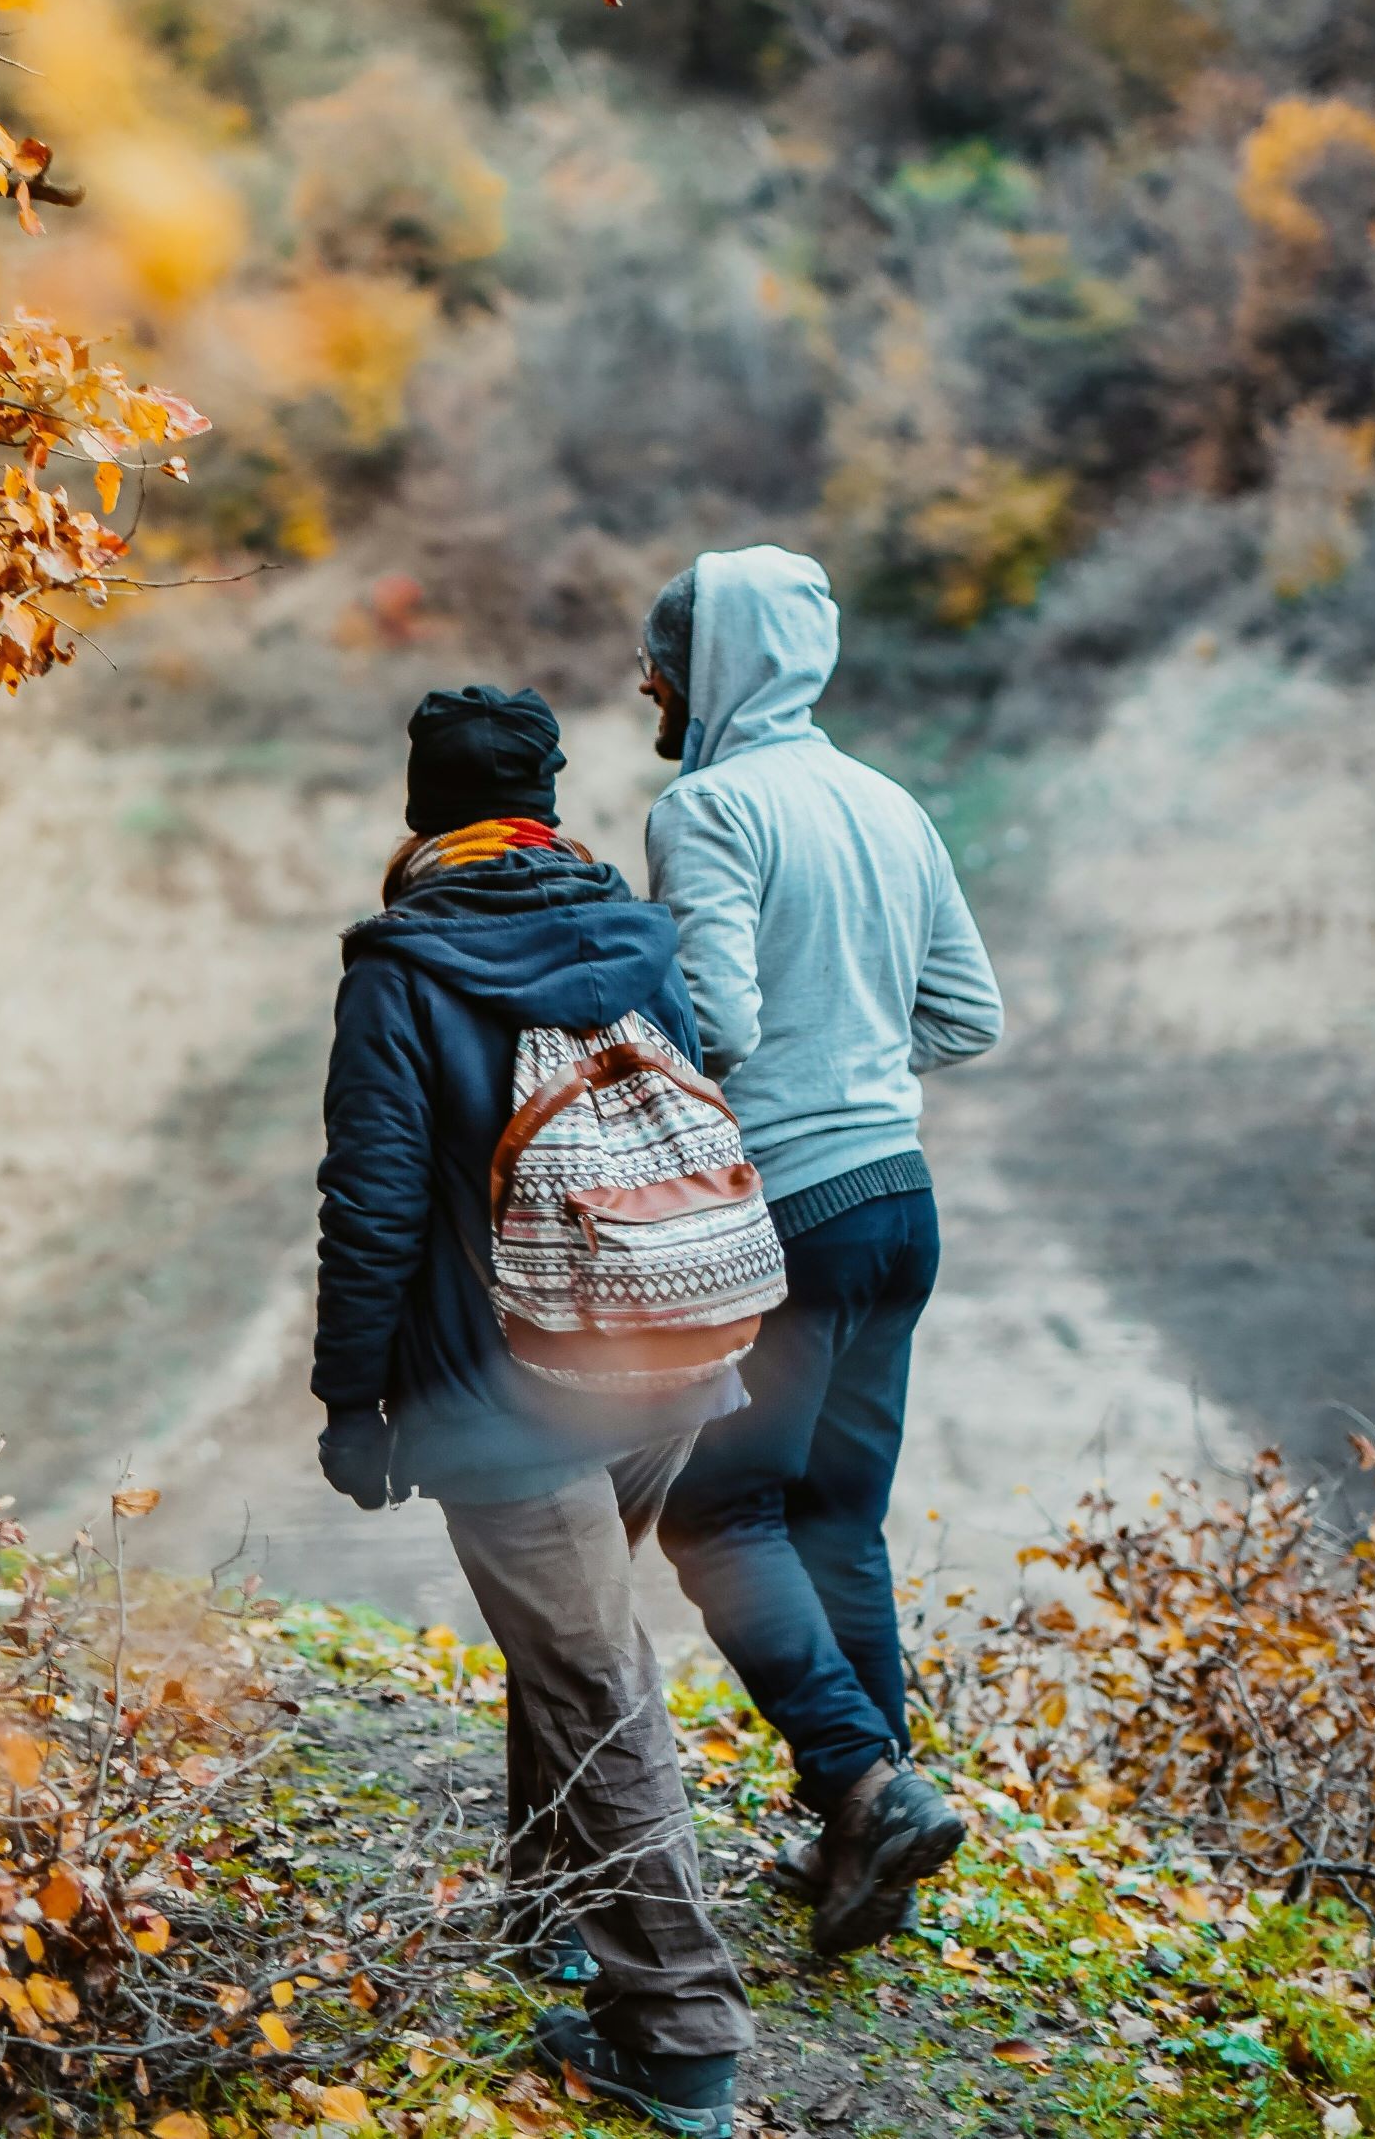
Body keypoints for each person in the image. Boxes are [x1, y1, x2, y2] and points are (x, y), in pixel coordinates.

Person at [313, 683, 754, 2137]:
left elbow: (373, 1201)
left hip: (505, 1389)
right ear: (549, 801)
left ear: (419, 807)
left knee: (588, 1668)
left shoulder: (403, 965)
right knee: (565, 1641)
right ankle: (551, 1913)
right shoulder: (633, 930)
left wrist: (354, 1402)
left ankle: (679, 2030)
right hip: (664, 1348)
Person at [636, 548, 1003, 1959]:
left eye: (661, 658)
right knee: (838, 1516)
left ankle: (863, 1780)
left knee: (714, 1515)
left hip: (791, 1211)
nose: (646, 683)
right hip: (900, 1200)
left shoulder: (709, 805)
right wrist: (857, 1057)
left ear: (711, 665)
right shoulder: (888, 802)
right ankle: (871, 1847)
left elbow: (714, 1020)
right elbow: (965, 1016)